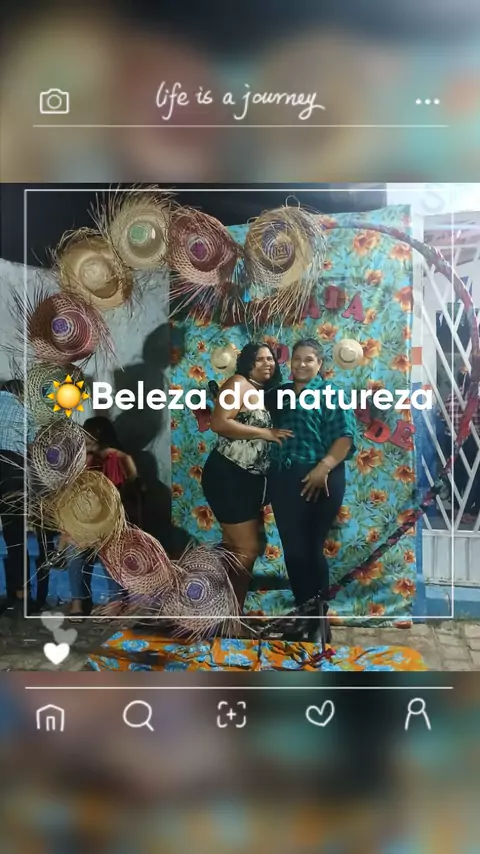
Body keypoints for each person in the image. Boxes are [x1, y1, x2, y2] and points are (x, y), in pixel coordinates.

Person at [267, 338, 357, 644]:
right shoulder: (279, 395)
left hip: (322, 477)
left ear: (319, 364)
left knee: (311, 549)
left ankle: (319, 622)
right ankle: (302, 616)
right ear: (290, 362)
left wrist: (324, 467)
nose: (302, 364)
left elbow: (345, 437)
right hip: (284, 478)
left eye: (309, 360)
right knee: (293, 551)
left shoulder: (331, 393)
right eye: (297, 359)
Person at [201, 342, 293, 608]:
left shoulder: (261, 392)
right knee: (247, 549)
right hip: (229, 474)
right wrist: (266, 433)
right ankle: (231, 615)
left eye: (271, 359)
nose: (267, 363)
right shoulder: (238, 383)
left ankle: (222, 613)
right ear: (248, 363)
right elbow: (219, 422)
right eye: (260, 359)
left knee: (234, 550)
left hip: (247, 479)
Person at [64, 416, 141, 620]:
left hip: (114, 521)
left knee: (107, 546)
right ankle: (78, 600)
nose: (86, 445)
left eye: (90, 441)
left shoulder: (119, 459)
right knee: (74, 549)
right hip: (87, 521)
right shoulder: (82, 461)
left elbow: (124, 498)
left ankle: (116, 600)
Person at [0, 379, 38, 616]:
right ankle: (21, 595)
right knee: (15, 536)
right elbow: (33, 447)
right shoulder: (25, 411)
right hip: (13, 469)